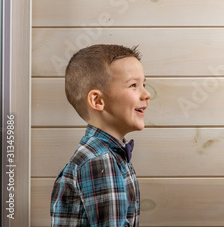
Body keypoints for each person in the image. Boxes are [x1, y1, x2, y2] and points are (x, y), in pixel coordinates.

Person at [50, 44, 150, 226]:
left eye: (144, 84)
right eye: (133, 85)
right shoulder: (99, 160)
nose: (147, 94)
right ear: (97, 100)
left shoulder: (107, 155)